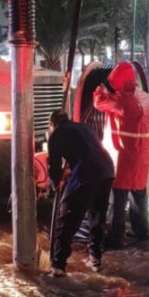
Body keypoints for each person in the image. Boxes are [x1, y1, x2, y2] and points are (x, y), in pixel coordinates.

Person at [93, 62, 149, 249]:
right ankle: (142, 233)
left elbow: (98, 103)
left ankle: (115, 238)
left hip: (125, 158)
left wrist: (100, 89)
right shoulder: (148, 99)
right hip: (143, 157)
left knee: (118, 199)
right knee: (139, 195)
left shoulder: (122, 101)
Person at [46, 110, 115, 277]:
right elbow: (87, 150)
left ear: (52, 124)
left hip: (87, 173)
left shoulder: (55, 135)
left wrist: (55, 184)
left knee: (66, 217)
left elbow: (54, 166)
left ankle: (58, 265)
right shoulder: (84, 127)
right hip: (107, 170)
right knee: (97, 217)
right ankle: (95, 259)